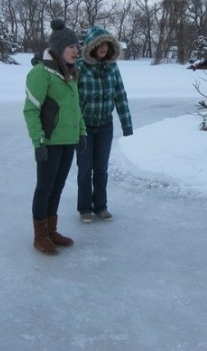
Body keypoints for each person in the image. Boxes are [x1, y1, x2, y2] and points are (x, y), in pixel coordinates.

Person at [24, 19, 87, 255]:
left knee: (57, 187)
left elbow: (75, 108)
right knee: (45, 188)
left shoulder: (70, 73)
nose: (76, 50)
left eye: (76, 46)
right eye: (71, 46)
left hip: (68, 141)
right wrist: (38, 142)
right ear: (59, 49)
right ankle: (40, 236)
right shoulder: (41, 73)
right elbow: (31, 110)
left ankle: (51, 230)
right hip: (49, 143)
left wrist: (81, 133)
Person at [76, 26, 133, 223]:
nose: (103, 48)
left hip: (105, 126)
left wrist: (127, 124)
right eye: (99, 44)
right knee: (85, 170)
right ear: (91, 46)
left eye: (106, 45)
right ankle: (84, 208)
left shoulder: (112, 67)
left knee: (101, 169)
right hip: (83, 127)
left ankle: (101, 206)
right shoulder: (79, 67)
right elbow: (72, 99)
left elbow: (120, 95)